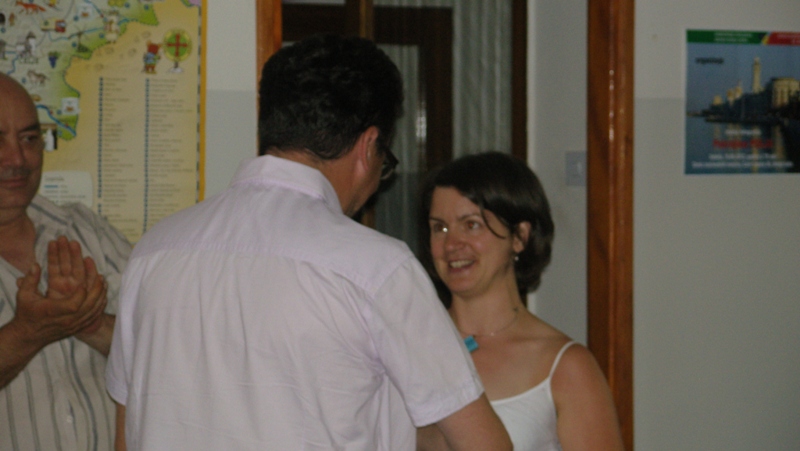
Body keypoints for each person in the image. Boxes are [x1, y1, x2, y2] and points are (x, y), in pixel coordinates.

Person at [105, 34, 511, 451]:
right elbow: (484, 444)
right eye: (384, 162)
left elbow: (126, 433)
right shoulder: (377, 268)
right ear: (368, 146)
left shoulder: (153, 252)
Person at [418, 151, 624, 450]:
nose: (452, 244)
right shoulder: (409, 345)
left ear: (519, 236)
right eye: (440, 228)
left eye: (471, 224)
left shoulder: (566, 366)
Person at [0, 73, 132, 450]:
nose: (18, 159)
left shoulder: (85, 230)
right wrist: (28, 332)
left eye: (29, 139)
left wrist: (88, 321)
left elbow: (166, 345)